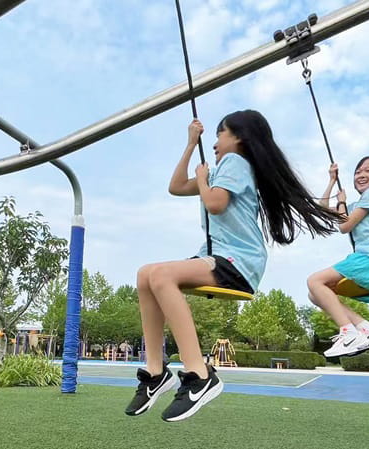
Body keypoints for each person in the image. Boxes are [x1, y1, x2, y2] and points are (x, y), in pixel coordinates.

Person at [125, 110, 339, 422]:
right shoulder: (221, 172)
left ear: (239, 137)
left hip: (237, 259)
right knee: (145, 274)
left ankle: (199, 375)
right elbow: (175, 186)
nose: (214, 142)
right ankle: (156, 372)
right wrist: (190, 145)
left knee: (159, 275)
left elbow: (215, 204)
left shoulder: (235, 162)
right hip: (218, 257)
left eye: (219, 134)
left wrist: (202, 179)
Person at [307, 157, 369, 358]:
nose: (361, 175)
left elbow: (344, 226)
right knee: (316, 294)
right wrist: (331, 181)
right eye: (357, 172)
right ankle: (368, 329)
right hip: (367, 257)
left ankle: (349, 334)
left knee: (314, 281)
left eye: (368, 170)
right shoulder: (358, 205)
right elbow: (323, 209)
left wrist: (342, 202)